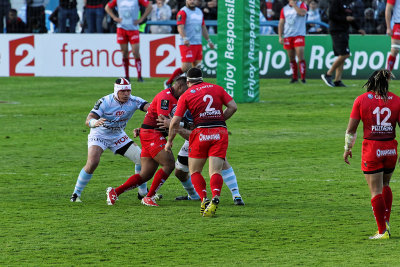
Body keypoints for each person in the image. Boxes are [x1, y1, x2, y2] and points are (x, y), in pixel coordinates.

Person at [106, 77, 189, 207]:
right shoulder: (166, 97)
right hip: (152, 134)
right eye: (187, 88)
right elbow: (164, 121)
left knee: (145, 174)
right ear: (180, 87)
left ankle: (115, 192)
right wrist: (185, 124)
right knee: (169, 164)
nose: (188, 91)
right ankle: (149, 197)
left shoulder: (175, 97)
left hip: (149, 133)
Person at [166, 68, 238, 217]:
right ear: (202, 78)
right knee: (215, 171)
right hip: (220, 132)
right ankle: (216, 196)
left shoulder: (186, 95)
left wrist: (169, 141)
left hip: (201, 133)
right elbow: (233, 107)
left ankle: (204, 199)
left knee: (195, 171)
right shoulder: (217, 88)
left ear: (187, 81)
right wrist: (219, 120)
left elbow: (175, 122)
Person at [70, 78, 150, 203]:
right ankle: (76, 194)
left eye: (128, 91)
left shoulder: (134, 100)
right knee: (93, 162)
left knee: (142, 159)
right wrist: (94, 122)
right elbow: (88, 119)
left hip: (118, 136)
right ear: (116, 91)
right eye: (123, 91)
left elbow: (149, 107)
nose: (126, 94)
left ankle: (143, 193)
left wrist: (153, 110)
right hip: (99, 134)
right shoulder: (105, 101)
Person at [343, 69, 400, 240]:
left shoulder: (361, 100)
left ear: (371, 82)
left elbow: (351, 130)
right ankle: (386, 221)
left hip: (372, 149)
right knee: (386, 184)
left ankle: (382, 231)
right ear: (387, 82)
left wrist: (347, 148)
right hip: (390, 148)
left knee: (375, 191)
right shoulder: (397, 100)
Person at [157, 114, 245, 205]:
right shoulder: (180, 103)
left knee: (211, 166)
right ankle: (195, 196)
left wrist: (175, 127)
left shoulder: (191, 102)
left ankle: (234, 195)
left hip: (201, 137)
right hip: (198, 138)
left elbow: (193, 131)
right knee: (180, 172)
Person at [163, 0, 214, 89]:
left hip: (197, 43)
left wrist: (209, 40)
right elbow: (180, 26)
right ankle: (168, 82)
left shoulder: (199, 12)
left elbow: (203, 27)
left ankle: (194, 87)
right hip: (187, 44)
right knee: (186, 67)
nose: (192, 1)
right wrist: (185, 38)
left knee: (197, 68)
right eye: (190, 0)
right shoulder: (183, 12)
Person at [105, 0, 152, 82]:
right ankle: (127, 76)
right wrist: (114, 17)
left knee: (135, 53)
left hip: (133, 29)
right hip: (121, 28)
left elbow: (149, 6)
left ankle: (139, 76)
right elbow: (107, 7)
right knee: (124, 53)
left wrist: (141, 19)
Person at [321, 0, 365, 87]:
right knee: (345, 54)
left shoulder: (347, 4)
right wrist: (345, 18)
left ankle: (338, 80)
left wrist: (358, 28)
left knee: (341, 56)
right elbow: (331, 15)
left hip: (344, 31)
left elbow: (349, 18)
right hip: (337, 30)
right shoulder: (335, 2)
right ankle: (328, 74)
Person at [278, 0, 308, 83]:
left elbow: (302, 13)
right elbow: (281, 23)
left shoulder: (302, 5)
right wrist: (280, 36)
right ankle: (294, 77)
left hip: (299, 34)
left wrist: (294, 6)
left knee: (300, 56)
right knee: (291, 57)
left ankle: (303, 78)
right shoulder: (284, 9)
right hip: (288, 35)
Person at [385, 0, 400, 71]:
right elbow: (388, 8)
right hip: (398, 24)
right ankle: (386, 76)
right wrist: (388, 27)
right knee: (394, 50)